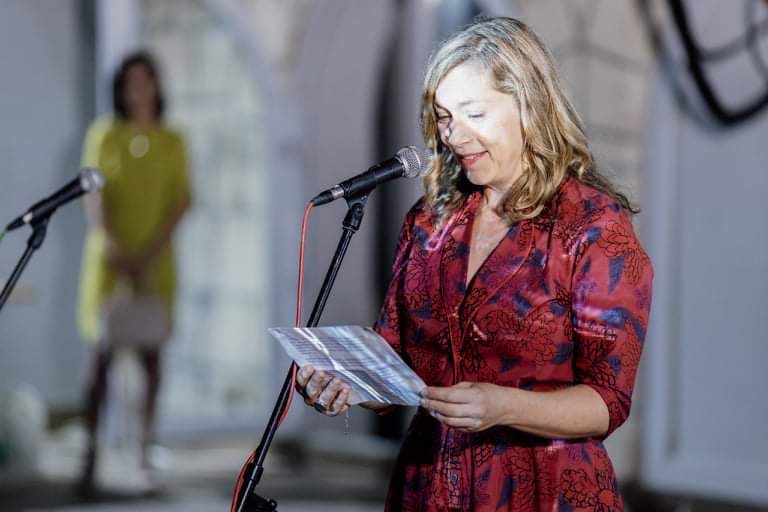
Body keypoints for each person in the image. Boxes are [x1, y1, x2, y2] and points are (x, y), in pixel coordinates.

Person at [297, 16, 652, 511]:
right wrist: (348, 382)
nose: (454, 135)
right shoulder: (430, 222)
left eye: (474, 114)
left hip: (544, 491)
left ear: (529, 106)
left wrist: (503, 406)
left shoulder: (592, 227)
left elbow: (607, 401)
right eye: (444, 117)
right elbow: (399, 361)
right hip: (429, 487)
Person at [77, 51, 191, 489]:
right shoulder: (105, 134)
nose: (138, 90)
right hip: (110, 262)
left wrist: (146, 257)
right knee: (100, 358)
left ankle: (144, 448)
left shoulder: (172, 141)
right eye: (130, 82)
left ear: (157, 86)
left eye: (146, 80)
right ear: (120, 88)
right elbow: (93, 193)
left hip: (155, 263)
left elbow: (181, 200)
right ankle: (91, 453)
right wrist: (114, 248)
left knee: (151, 357)